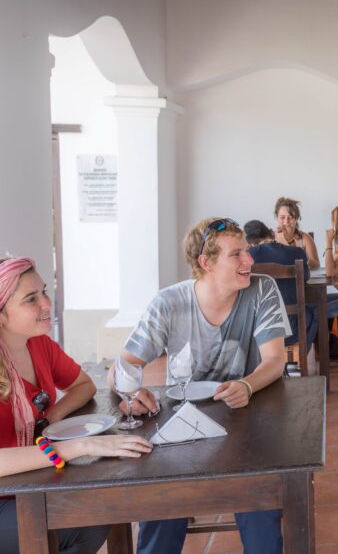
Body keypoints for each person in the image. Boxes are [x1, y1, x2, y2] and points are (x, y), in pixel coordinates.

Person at [109, 218, 290, 554]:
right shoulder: (169, 303)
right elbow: (123, 366)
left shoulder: (261, 289)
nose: (249, 261)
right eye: (236, 255)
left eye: (247, 252)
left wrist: (247, 386)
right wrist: (131, 393)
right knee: (160, 503)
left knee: (259, 505)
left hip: (249, 425)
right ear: (206, 264)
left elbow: (274, 361)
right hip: (184, 429)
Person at [0, 257, 152, 554]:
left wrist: (51, 417)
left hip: (28, 483)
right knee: (78, 522)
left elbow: (83, 386)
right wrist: (80, 447)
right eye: (31, 299)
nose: (47, 303)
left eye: (44, 291)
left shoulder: (38, 344)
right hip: (10, 494)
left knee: (102, 508)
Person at [244, 219, 317, 359]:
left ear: (250, 242)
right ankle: (296, 358)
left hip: (260, 333)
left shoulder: (247, 258)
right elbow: (306, 278)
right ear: (271, 232)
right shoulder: (297, 252)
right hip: (292, 331)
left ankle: (264, 359)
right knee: (315, 310)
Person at [273, 197, 319, 269]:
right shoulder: (271, 238)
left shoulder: (305, 238)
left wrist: (303, 256)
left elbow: (316, 265)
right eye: (282, 217)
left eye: (291, 217)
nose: (286, 222)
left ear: (297, 218)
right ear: (276, 217)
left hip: (301, 279)